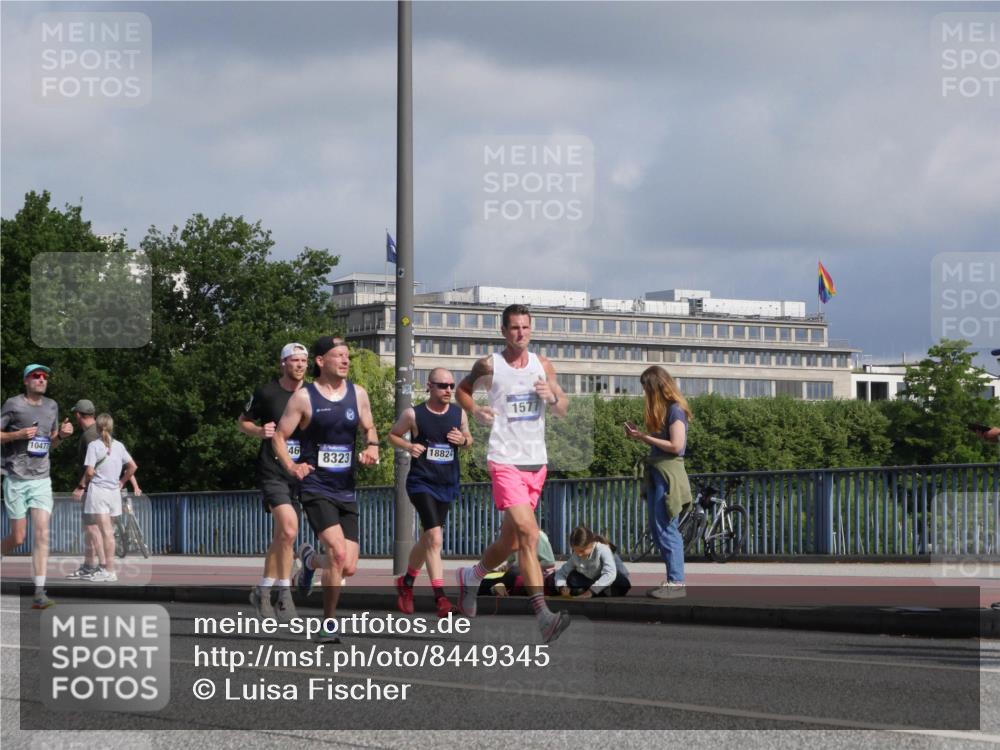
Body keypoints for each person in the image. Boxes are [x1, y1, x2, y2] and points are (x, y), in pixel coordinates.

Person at [455, 303, 571, 644]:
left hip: (536, 463)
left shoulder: (543, 364)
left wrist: (552, 398)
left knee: (509, 542)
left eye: (526, 328)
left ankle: (471, 577)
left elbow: (563, 407)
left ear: (531, 330)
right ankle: (544, 616)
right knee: (529, 533)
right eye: (514, 328)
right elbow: (463, 390)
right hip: (504, 460)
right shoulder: (491, 365)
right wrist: (475, 409)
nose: (521, 333)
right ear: (504, 331)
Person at [274, 336, 380, 643]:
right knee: (336, 551)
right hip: (316, 486)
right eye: (339, 356)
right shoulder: (304, 398)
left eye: (347, 356)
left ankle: (309, 562)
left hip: (345, 487)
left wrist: (372, 446)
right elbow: (279, 437)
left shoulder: (358, 394)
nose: (346, 361)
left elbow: (369, 427)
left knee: (348, 566)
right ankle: (328, 625)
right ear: (321, 361)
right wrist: (292, 467)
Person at [388, 367, 473, 618]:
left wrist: (464, 440)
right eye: (442, 385)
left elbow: (470, 439)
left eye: (451, 386)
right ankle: (441, 598)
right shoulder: (413, 414)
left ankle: (407, 581)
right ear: (430, 386)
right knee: (435, 538)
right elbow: (392, 435)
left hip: (446, 483)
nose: (448, 390)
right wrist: (408, 445)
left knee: (427, 538)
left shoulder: (459, 414)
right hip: (420, 482)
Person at [238, 342, 309, 622]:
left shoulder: (312, 394)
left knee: (283, 536)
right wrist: (259, 430)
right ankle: (284, 594)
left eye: (303, 361)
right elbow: (242, 422)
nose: (300, 365)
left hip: (301, 471)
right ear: (283, 363)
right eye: (294, 360)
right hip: (273, 470)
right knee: (289, 532)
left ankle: (262, 591)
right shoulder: (266, 392)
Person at [1, 364, 75, 608]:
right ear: (26, 381)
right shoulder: (13, 404)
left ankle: (39, 592)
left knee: (42, 533)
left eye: (45, 376)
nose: (42, 379)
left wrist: (62, 436)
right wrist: (17, 435)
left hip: (42, 479)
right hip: (16, 478)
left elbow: (50, 442)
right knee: (19, 537)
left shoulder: (51, 406)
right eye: (36, 376)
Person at [625, 365, 693, 599]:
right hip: (657, 472)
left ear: (657, 388)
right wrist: (641, 437)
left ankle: (676, 583)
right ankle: (673, 581)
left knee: (666, 528)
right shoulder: (665, 412)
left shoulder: (676, 410)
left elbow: (677, 446)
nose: (645, 394)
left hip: (667, 475)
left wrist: (644, 436)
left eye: (646, 389)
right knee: (658, 529)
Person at [77, 414, 138, 582]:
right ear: (111, 427)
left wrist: (88, 480)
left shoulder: (94, 446)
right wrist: (122, 481)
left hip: (99, 493)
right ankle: (107, 569)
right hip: (114, 494)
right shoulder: (119, 446)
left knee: (105, 532)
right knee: (108, 532)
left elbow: (89, 471)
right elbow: (133, 466)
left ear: (97, 427)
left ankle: (109, 570)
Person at [67, 400, 101, 580]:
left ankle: (101, 567)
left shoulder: (89, 436)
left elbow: (91, 467)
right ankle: (89, 565)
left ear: (78, 415)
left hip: (92, 488)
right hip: (104, 487)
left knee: (92, 528)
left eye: (76, 415)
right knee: (92, 527)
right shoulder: (103, 431)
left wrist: (81, 486)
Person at [555, 526, 631, 598]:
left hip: (611, 583)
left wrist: (591, 591)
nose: (579, 554)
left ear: (591, 544)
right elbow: (561, 572)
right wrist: (562, 586)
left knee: (617, 583)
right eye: (576, 551)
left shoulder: (602, 549)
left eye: (582, 551)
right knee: (572, 577)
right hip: (590, 581)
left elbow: (610, 574)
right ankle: (591, 592)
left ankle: (594, 592)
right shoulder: (576, 555)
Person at [478, 528, 556, 597]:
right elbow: (511, 561)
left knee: (508, 576)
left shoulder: (538, 536)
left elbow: (549, 562)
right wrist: (506, 567)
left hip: (531, 576)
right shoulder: (514, 537)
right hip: (515, 573)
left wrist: (527, 567)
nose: (501, 528)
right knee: (486, 578)